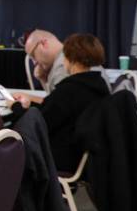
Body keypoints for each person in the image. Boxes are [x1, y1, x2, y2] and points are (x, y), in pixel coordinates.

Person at [8, 33, 109, 173]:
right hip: (86, 154)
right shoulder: (98, 85)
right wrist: (29, 105)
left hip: (64, 157)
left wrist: (16, 107)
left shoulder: (69, 90)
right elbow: (53, 109)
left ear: (69, 59)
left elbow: (40, 125)